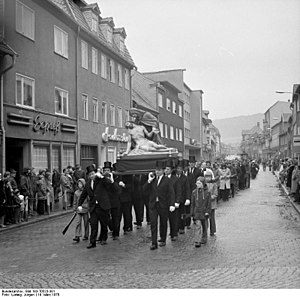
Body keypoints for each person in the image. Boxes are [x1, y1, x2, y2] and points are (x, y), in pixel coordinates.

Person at [78, 165, 117, 249]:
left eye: (93, 173)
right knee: (93, 224)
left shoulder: (101, 180)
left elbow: (109, 184)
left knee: (104, 223)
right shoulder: (88, 183)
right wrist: (79, 205)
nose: (91, 176)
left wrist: (103, 177)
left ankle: (104, 238)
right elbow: (83, 195)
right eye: (90, 174)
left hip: (103, 205)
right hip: (93, 207)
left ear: (95, 173)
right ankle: (92, 242)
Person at [143, 160, 175, 250]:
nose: (157, 171)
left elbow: (171, 193)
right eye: (156, 170)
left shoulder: (167, 180)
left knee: (163, 222)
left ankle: (163, 239)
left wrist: (172, 204)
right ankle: (154, 243)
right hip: (153, 204)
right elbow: (144, 190)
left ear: (163, 171)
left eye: (159, 170)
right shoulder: (152, 180)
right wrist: (149, 181)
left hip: (163, 204)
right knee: (153, 223)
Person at [191, 176, 211, 247]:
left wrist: (207, 211)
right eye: (197, 183)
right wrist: (192, 213)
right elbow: (192, 203)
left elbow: (209, 203)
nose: (198, 185)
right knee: (198, 226)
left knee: (204, 226)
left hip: (204, 211)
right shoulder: (194, 192)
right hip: (197, 212)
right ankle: (197, 240)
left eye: (199, 183)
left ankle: (204, 237)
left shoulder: (207, 192)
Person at [165, 160, 181, 241]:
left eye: (168, 169)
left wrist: (177, 202)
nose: (166, 171)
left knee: (173, 219)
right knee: (164, 220)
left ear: (171, 170)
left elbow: (178, 191)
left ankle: (174, 234)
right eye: (165, 169)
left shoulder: (175, 179)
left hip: (172, 202)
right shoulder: (162, 178)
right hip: (164, 203)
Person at [175, 160, 190, 235]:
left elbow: (187, 188)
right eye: (178, 168)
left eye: (180, 169)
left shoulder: (185, 178)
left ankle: (182, 227)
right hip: (174, 199)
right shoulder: (173, 177)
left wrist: (187, 198)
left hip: (182, 199)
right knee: (175, 215)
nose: (179, 170)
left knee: (182, 214)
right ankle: (175, 228)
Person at [73, 178, 89, 243]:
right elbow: (75, 202)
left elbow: (89, 200)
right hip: (79, 210)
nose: (80, 185)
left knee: (86, 223)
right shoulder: (76, 192)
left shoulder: (86, 191)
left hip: (85, 209)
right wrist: (74, 209)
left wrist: (89, 208)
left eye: (81, 184)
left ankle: (86, 235)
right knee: (78, 222)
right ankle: (77, 235)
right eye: (79, 184)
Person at [204, 171, 218, 236]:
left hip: (212, 204)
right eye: (206, 177)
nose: (207, 178)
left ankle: (212, 231)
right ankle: (205, 230)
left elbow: (215, 194)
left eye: (209, 177)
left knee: (212, 218)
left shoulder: (214, 184)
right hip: (205, 205)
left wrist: (210, 198)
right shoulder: (203, 184)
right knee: (205, 218)